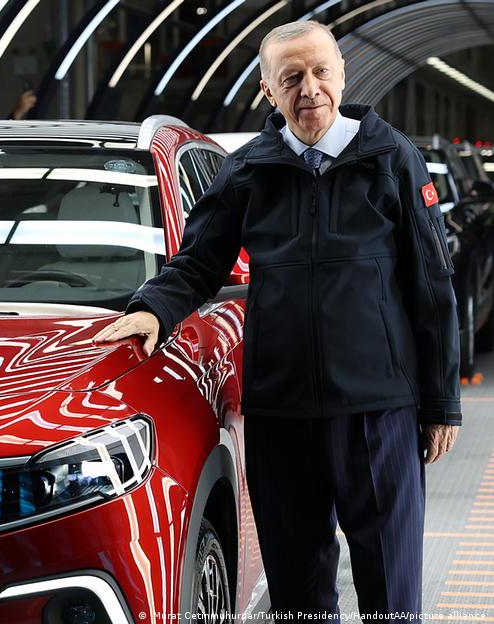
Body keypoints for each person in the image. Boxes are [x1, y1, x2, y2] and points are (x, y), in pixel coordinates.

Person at [92, 21, 460, 622]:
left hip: (378, 410)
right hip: (282, 415)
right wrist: (151, 310)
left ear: (341, 77)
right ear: (269, 90)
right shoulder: (247, 172)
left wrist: (440, 401)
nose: (308, 88)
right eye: (291, 78)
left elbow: (432, 284)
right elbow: (198, 262)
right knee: (297, 589)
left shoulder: (391, 157)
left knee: (391, 584)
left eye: (320, 73)